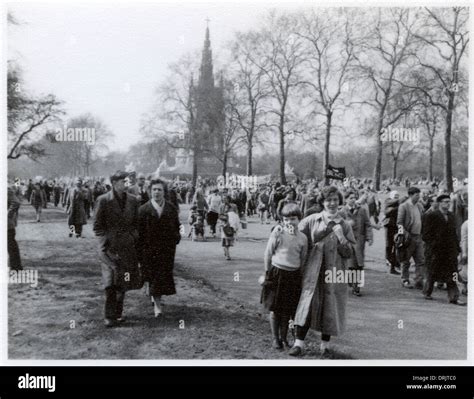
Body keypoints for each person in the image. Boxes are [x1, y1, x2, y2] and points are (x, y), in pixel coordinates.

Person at [289, 186, 356, 358]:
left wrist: (341, 238)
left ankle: (324, 346)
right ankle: (299, 343)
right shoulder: (312, 220)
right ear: (322, 202)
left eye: (335, 200)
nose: (332, 203)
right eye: (328, 200)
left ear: (339, 202)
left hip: (334, 271)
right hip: (313, 269)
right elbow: (296, 238)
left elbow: (349, 253)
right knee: (307, 303)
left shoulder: (345, 224)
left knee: (330, 305)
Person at [93, 171, 142, 327]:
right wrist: (105, 243)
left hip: (127, 247)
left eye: (128, 182)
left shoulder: (133, 201)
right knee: (110, 282)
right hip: (108, 249)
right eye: (123, 182)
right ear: (114, 183)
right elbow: (97, 227)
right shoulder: (103, 200)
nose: (126, 184)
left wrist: (133, 237)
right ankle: (109, 316)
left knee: (123, 280)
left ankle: (118, 314)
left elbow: (136, 224)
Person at [261, 203, 308, 350]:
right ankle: (276, 339)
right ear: (282, 220)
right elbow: (268, 253)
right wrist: (267, 273)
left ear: (299, 219)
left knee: (287, 310)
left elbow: (303, 259)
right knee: (275, 309)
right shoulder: (278, 232)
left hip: (293, 275)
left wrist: (301, 277)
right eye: (286, 219)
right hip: (277, 273)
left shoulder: (303, 238)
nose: (289, 222)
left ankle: (284, 337)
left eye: (293, 219)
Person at [138, 179, 181, 317]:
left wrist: (175, 238)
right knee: (152, 276)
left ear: (164, 192)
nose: (156, 192)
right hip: (149, 250)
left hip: (166, 249)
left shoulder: (171, 208)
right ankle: (157, 306)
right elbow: (139, 232)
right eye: (154, 190)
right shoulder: (143, 210)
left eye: (159, 190)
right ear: (150, 192)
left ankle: (155, 297)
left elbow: (176, 227)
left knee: (161, 276)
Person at [422, 194, 465, 305]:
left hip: (449, 250)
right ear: (440, 203)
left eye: (449, 202)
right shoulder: (431, 215)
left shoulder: (451, 216)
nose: (447, 204)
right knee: (432, 272)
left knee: (452, 273)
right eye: (445, 201)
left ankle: (453, 297)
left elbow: (454, 233)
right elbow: (425, 234)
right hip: (435, 250)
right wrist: (433, 245)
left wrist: (457, 249)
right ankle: (427, 291)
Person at [341, 190, 373, 296]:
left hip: (359, 241)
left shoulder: (362, 210)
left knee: (359, 264)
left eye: (354, 197)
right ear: (346, 200)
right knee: (350, 264)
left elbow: (368, 224)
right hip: (347, 242)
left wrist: (369, 237)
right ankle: (351, 281)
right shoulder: (342, 212)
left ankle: (356, 287)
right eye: (350, 198)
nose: (353, 200)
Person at [397, 187, 425, 289]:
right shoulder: (404, 206)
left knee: (420, 260)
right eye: (417, 195)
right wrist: (403, 235)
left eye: (419, 195)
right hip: (409, 237)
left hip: (419, 236)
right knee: (406, 260)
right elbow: (399, 223)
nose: (419, 197)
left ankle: (419, 280)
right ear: (410, 195)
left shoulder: (419, 206)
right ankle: (405, 279)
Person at [383, 191, 402, 275]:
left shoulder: (398, 204)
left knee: (396, 245)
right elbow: (387, 212)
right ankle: (388, 259)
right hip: (389, 225)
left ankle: (394, 263)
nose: (396, 197)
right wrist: (399, 204)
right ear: (391, 196)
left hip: (396, 226)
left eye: (398, 196)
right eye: (395, 196)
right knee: (389, 245)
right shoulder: (388, 201)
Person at [8, 185, 22, 271]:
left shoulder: (6, 190)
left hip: (6, 224)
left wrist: (8, 214)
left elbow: (16, 202)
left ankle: (16, 267)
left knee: (10, 244)